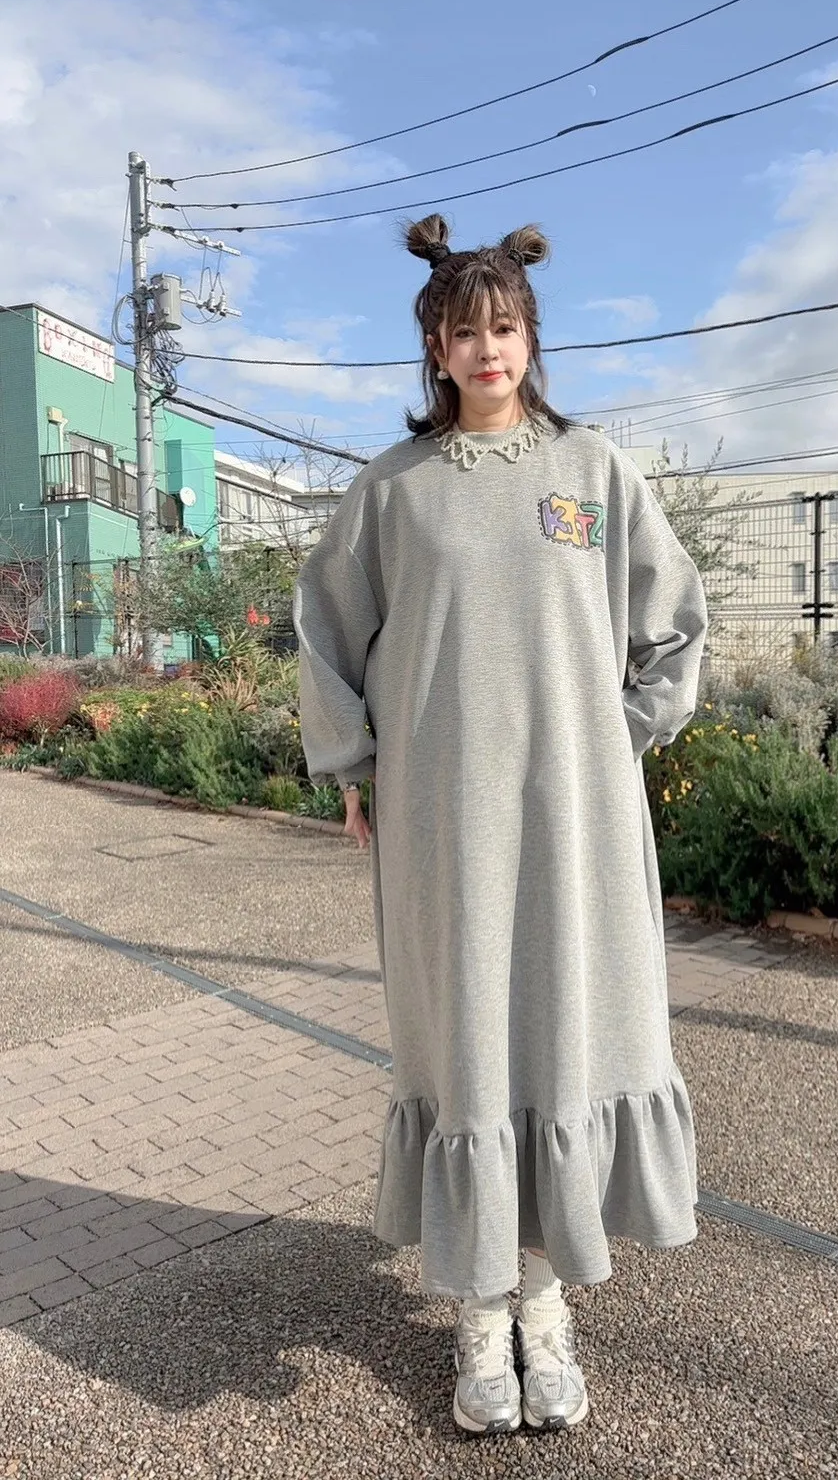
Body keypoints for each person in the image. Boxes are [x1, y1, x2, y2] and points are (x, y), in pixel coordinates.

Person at [293, 214, 708, 1436]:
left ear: (532, 338)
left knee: (564, 1032)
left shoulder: (591, 472)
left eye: (506, 326)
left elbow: (673, 624)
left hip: (576, 818)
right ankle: (480, 1316)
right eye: (465, 330)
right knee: (468, 1038)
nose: (488, 349)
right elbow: (325, 632)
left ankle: (544, 1303)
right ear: (433, 348)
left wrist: (614, 735)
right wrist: (353, 764)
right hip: (445, 820)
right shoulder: (392, 490)